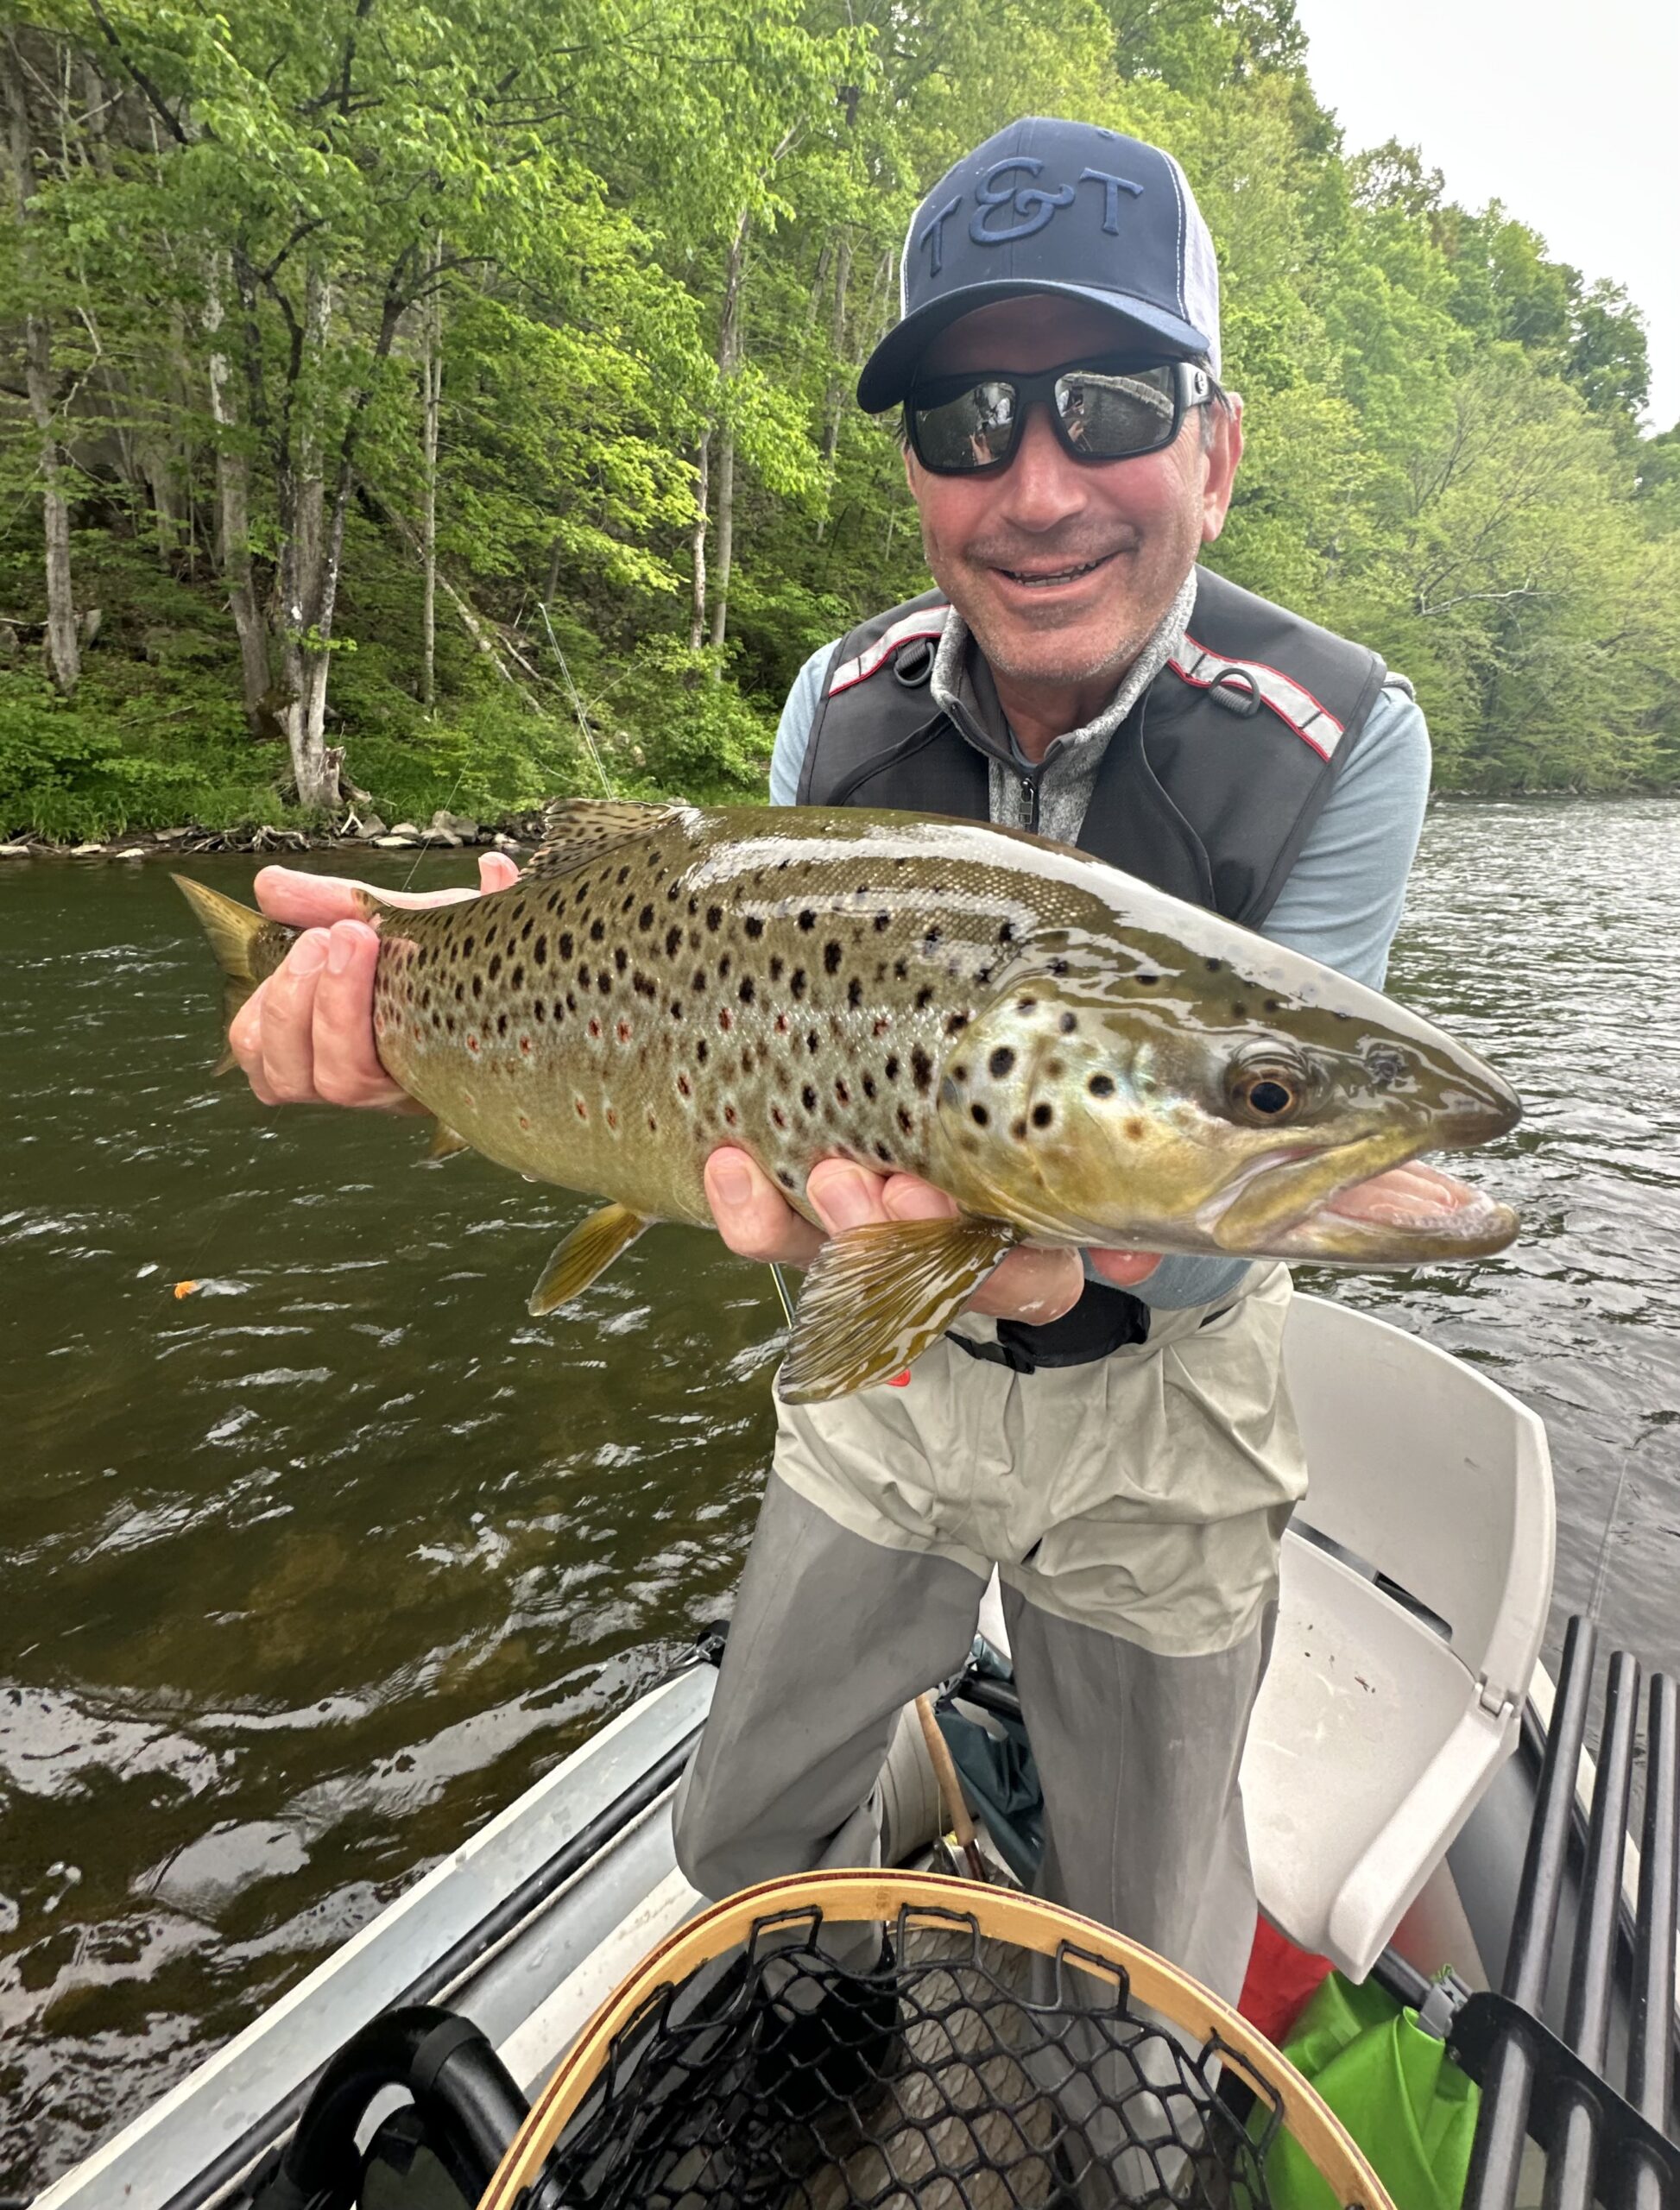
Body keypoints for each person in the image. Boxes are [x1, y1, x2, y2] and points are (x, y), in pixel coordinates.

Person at [231, 117, 1454, 2017]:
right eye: (969, 424)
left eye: (1107, 399)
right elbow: (729, 994)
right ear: (916, 472)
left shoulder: (1342, 735)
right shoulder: (838, 697)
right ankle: (862, 1897)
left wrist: (1071, 1246)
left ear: (1214, 444)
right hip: (892, 1365)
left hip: (1167, 1405)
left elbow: (1220, 1215)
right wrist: (426, 1006)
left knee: (1151, 1954)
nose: (1034, 482)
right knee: (738, 1837)